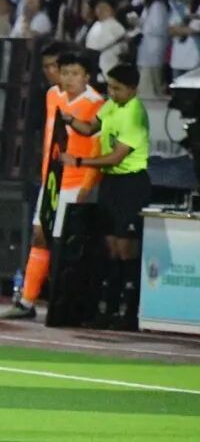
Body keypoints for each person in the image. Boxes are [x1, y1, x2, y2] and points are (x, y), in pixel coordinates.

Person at [1, 52, 104, 319]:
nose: (68, 79)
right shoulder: (52, 95)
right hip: (52, 181)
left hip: (76, 182)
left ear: (87, 76)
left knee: (64, 244)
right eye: (64, 72)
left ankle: (64, 305)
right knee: (40, 236)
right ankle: (27, 301)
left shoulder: (95, 104)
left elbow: (98, 148)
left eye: (74, 74)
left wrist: (88, 186)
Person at [60, 63, 150, 330]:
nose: (111, 93)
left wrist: (79, 161)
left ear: (132, 89)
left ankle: (130, 313)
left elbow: (116, 157)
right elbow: (89, 128)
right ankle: (108, 309)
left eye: (117, 88)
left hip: (131, 184)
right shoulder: (111, 105)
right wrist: (69, 120)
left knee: (126, 249)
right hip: (111, 183)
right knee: (109, 248)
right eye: (109, 87)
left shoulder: (135, 115)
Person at [136, 0, 171, 96]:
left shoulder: (158, 6)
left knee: (152, 87)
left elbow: (158, 28)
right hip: (147, 51)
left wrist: (142, 25)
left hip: (154, 51)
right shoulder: (149, 6)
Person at [86, 0, 127, 83]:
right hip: (93, 65)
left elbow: (123, 49)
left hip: (109, 65)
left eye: (104, 7)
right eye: (98, 7)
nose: (100, 10)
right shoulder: (95, 25)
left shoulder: (116, 26)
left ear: (112, 10)